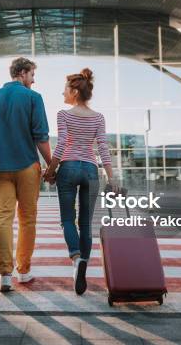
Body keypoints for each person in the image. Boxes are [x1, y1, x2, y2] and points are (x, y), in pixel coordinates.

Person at [0, 57, 52, 293]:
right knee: (27, 219)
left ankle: (5, 274)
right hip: (27, 168)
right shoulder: (34, 98)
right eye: (32, 75)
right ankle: (23, 271)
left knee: (4, 218)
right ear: (23, 73)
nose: (33, 81)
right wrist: (52, 165)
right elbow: (41, 136)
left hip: (0, 170)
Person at [43, 68, 116, 295]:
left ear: (74, 91)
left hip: (69, 167)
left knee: (67, 220)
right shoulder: (99, 117)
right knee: (85, 223)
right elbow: (103, 147)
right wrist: (111, 178)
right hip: (91, 170)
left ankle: (76, 257)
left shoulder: (63, 115)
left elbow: (63, 143)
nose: (62, 93)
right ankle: (83, 261)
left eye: (65, 89)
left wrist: (50, 169)